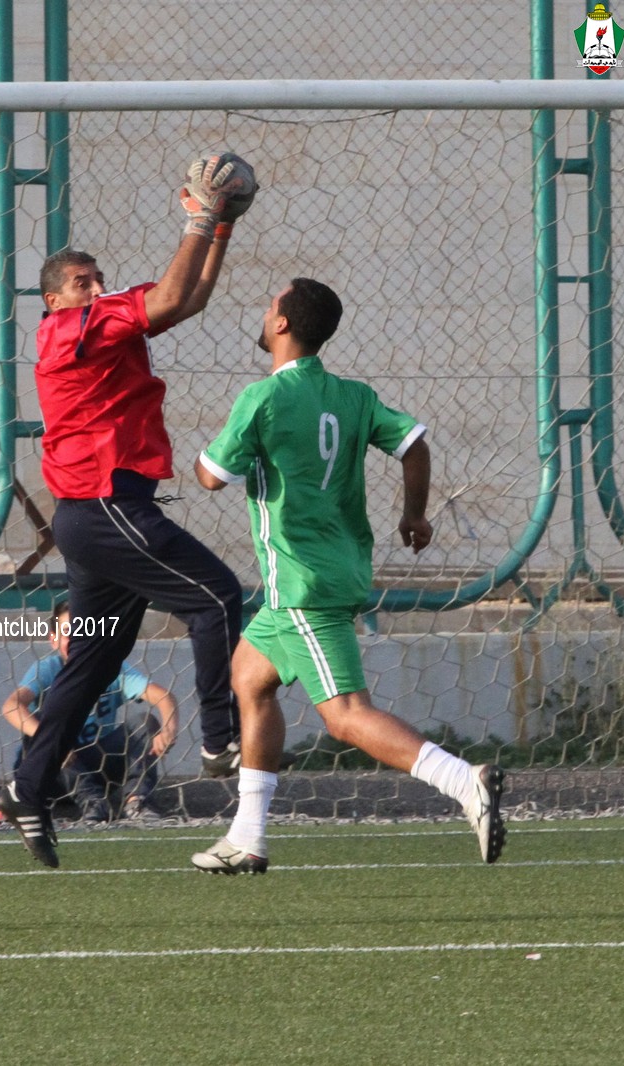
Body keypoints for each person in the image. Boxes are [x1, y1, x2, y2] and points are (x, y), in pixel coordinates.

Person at [190, 277, 506, 874]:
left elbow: (210, 476)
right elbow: (414, 443)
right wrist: (413, 515)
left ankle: (465, 781)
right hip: (323, 575)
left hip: (303, 584)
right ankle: (247, 837)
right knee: (250, 678)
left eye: (270, 304)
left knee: (345, 715)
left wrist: (232, 451)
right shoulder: (353, 396)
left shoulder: (262, 397)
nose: (264, 311)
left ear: (282, 324)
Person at [0, 151, 257, 867]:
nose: (96, 287)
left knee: (94, 657)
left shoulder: (103, 324)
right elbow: (168, 299)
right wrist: (199, 219)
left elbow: (186, 300)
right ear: (53, 300)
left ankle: (27, 787)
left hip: (98, 518)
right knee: (215, 597)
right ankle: (218, 738)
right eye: (82, 281)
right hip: (104, 508)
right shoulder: (67, 329)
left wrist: (219, 229)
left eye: (98, 278)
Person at [2, 602, 177, 823]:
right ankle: (93, 803)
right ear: (54, 639)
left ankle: (137, 801)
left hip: (98, 766)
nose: (76, 639)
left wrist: (169, 728)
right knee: (37, 728)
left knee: (144, 723)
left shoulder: (109, 668)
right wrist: (53, 743)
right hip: (51, 774)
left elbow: (162, 696)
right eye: (68, 633)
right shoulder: (47, 670)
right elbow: (11, 706)